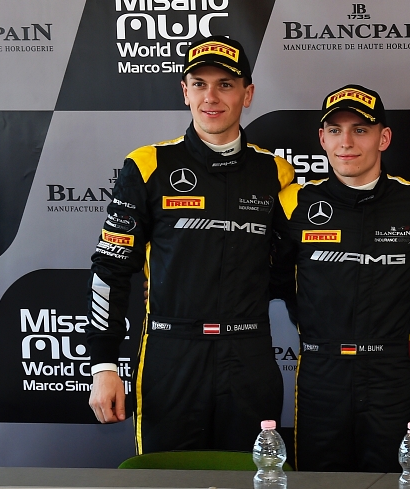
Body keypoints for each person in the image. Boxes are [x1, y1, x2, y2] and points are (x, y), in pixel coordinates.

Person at [88, 36, 297, 454]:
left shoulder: (275, 171)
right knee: (168, 485)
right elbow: (110, 269)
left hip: (249, 354)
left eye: (225, 84)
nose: (211, 97)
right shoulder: (147, 165)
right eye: (199, 84)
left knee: (253, 482)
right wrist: (104, 364)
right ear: (185, 92)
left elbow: (289, 270)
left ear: (247, 94)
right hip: (171, 353)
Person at [272, 84, 410, 471]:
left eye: (360, 130)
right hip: (320, 372)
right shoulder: (293, 203)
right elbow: (276, 281)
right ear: (322, 138)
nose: (346, 142)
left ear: (384, 138)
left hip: (390, 374)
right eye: (335, 130)